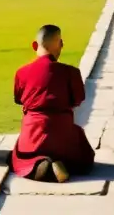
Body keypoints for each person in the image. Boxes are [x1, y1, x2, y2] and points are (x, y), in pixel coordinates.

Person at [10, 24, 94, 182]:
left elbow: (18, 99)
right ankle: (60, 163)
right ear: (60, 44)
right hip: (64, 135)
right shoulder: (71, 72)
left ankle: (42, 164)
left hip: (33, 134)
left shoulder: (22, 72)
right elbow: (77, 100)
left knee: (20, 160)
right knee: (83, 158)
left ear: (34, 45)